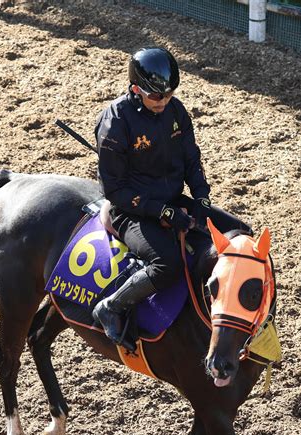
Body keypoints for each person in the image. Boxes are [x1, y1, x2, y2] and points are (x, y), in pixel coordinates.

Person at [92, 46, 238, 351]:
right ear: (136, 89)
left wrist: (201, 197)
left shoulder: (175, 111)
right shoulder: (117, 122)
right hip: (130, 211)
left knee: (240, 233)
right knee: (166, 264)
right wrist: (161, 211)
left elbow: (191, 160)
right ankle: (112, 307)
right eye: (158, 97)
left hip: (173, 201)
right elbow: (115, 190)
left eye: (170, 94)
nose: (165, 101)